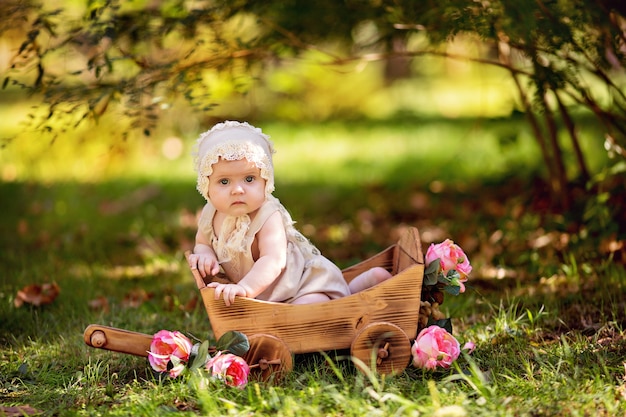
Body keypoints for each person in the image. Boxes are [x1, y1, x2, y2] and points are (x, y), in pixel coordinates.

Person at [187, 121, 392, 306]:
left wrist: (244, 288)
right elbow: (203, 242)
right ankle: (360, 287)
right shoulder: (210, 213)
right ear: (206, 186)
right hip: (267, 296)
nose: (238, 190)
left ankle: (358, 290)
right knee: (300, 311)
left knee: (309, 306)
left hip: (300, 286)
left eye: (249, 179)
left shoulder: (268, 215)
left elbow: (273, 261)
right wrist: (205, 255)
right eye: (224, 182)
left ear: (266, 180)